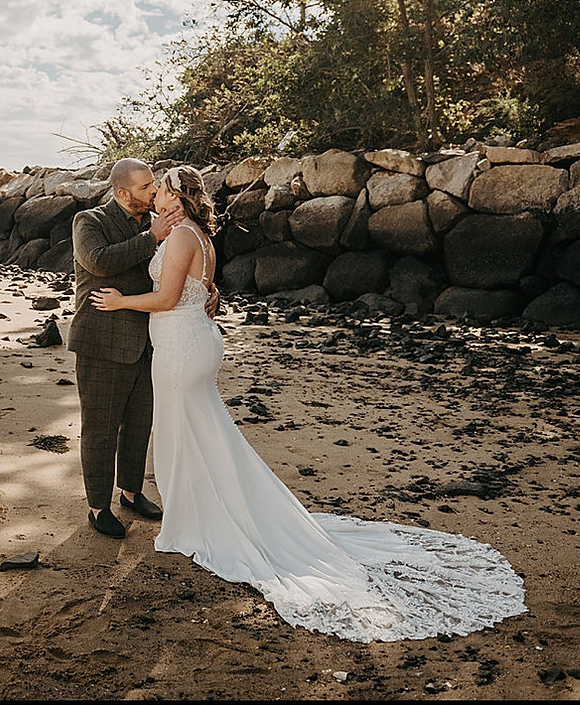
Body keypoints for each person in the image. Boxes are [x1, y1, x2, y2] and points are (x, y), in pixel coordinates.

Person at [91, 165, 528, 642]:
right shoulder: (196, 236)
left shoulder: (179, 238)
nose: (155, 196)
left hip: (180, 348)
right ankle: (202, 513)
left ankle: (193, 524)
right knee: (204, 433)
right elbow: (203, 290)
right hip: (194, 341)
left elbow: (169, 296)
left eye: (162, 190)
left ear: (178, 197)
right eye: (152, 190)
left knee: (183, 434)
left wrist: (121, 302)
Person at [68, 158, 218, 539]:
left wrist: (207, 292)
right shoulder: (90, 221)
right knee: (100, 428)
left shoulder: (164, 223)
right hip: (103, 340)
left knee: (139, 424)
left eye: (156, 184)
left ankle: (131, 492)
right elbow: (99, 263)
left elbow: (178, 275)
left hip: (158, 339)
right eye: (146, 187)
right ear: (123, 194)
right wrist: (152, 237)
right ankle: (98, 506)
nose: (154, 191)